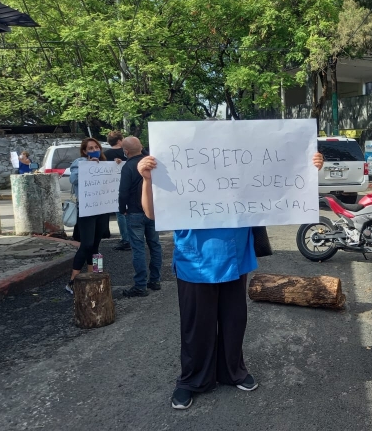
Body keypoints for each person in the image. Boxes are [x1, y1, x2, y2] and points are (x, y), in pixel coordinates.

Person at [136, 150, 324, 409]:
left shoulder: (241, 171)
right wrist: (147, 179)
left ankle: (231, 370)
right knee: (196, 326)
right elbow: (152, 213)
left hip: (235, 257)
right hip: (195, 261)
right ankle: (192, 380)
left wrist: (308, 169)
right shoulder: (180, 168)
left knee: (233, 320)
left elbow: (280, 188)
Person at [119, 137, 163, 298]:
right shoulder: (152, 163)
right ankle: (155, 280)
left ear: (126, 152)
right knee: (155, 245)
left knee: (138, 248)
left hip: (135, 212)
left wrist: (121, 208)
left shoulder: (128, 166)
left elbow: (123, 191)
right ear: (141, 147)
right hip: (152, 211)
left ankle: (140, 285)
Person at [65, 138, 110, 294]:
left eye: (96, 147)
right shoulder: (79, 162)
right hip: (86, 209)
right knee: (87, 244)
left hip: (102, 209)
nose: (93, 150)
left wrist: (116, 164)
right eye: (90, 148)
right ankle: (72, 281)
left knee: (96, 245)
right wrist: (89, 166)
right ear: (84, 151)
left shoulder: (105, 163)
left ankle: (96, 275)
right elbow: (73, 180)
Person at [104, 131, 131, 251]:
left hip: (113, 189)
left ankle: (126, 239)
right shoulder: (127, 153)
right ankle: (132, 238)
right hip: (130, 186)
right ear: (120, 141)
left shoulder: (105, 154)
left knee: (120, 213)